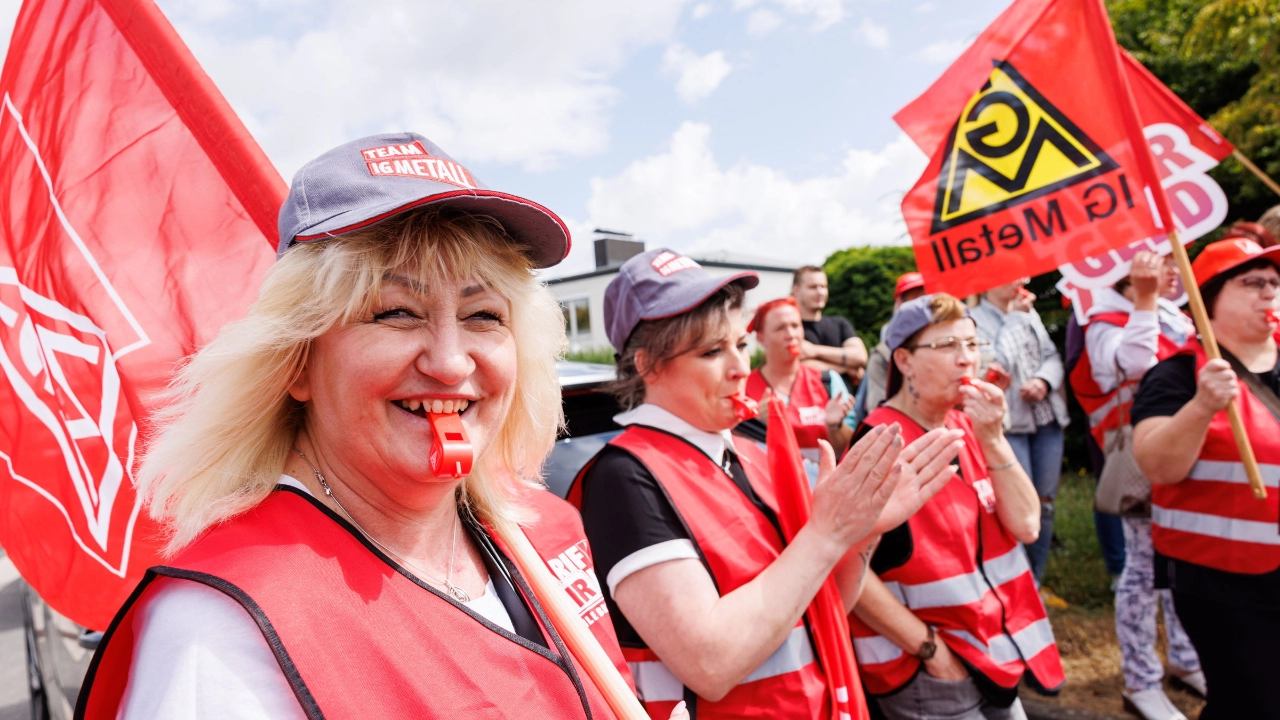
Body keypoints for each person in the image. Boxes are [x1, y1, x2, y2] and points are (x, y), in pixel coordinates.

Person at [77, 133, 683, 719]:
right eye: (395, 312)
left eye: (482, 315)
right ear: (298, 363)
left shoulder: (550, 530)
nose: (449, 362)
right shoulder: (225, 630)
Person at [568, 249, 966, 719]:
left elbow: (823, 607)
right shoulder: (624, 479)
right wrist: (827, 534)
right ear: (647, 365)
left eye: (740, 343)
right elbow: (710, 663)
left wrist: (865, 531)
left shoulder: (749, 450)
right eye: (712, 351)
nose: (739, 367)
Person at [850, 293, 1064, 720]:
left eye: (972, 343)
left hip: (992, 652)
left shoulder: (966, 423)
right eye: (947, 346)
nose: (967, 359)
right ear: (905, 362)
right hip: (927, 670)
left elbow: (1026, 526)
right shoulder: (878, 444)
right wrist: (929, 650)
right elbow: (846, 571)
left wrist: (993, 437)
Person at [1132, 238, 1280, 719]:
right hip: (1223, 581)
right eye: (1252, 283)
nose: (1269, 294)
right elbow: (1156, 466)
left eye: (1275, 283)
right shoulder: (1175, 376)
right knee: (1251, 702)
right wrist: (1201, 407)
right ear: (1208, 299)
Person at [1069, 250, 1203, 720]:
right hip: (1142, 460)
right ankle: (1141, 680)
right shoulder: (1103, 319)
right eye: (1161, 261)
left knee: (1185, 560)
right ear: (1129, 273)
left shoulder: (1175, 312)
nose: (1172, 270)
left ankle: (1186, 660)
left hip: (1188, 452)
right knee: (1144, 570)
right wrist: (1145, 300)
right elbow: (1136, 364)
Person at [971, 279, 1069, 592]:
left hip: (1045, 421)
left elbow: (1051, 356)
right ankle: (1016, 583)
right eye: (1011, 276)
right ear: (988, 281)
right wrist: (1014, 320)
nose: (1022, 281)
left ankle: (1035, 581)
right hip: (1009, 426)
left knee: (1045, 502)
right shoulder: (973, 320)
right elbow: (995, 367)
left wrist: (1044, 380)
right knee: (1015, 504)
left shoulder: (1029, 313)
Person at [745, 296, 855, 460]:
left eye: (795, 326)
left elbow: (848, 447)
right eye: (780, 328)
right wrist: (754, 425)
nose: (791, 335)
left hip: (821, 484)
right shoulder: (742, 387)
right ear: (761, 338)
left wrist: (834, 427)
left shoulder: (828, 381)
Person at [854, 272, 926, 427]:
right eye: (913, 301)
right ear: (899, 303)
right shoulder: (883, 355)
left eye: (924, 299)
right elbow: (878, 412)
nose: (920, 307)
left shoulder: (942, 344)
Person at [793, 265, 868, 382]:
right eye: (812, 287)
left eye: (823, 286)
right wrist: (845, 368)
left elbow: (860, 356)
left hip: (845, 399)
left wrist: (814, 350)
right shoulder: (790, 327)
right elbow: (797, 366)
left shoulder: (839, 323)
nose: (820, 292)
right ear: (796, 290)